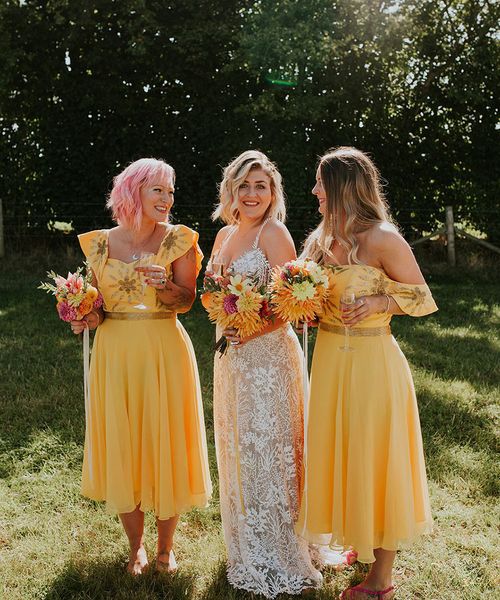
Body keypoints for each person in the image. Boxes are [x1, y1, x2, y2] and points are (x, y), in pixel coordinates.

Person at [296, 147, 437, 600]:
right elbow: (311, 297)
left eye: (321, 183)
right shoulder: (320, 240)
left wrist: (381, 302)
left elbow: (422, 298)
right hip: (331, 362)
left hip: (374, 366)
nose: (315, 191)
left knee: (375, 460)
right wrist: (304, 309)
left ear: (343, 188)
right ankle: (359, 537)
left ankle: (381, 581)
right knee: (344, 452)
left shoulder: (383, 238)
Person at [70, 158, 212, 575]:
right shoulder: (99, 244)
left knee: (166, 440)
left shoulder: (179, 240)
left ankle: (166, 547)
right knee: (124, 443)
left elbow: (187, 300)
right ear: (134, 192)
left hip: (163, 348)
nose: (167, 199)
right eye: (159, 191)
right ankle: (136, 548)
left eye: (171, 192)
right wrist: (83, 316)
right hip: (114, 352)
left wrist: (164, 286)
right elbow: (98, 308)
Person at [208, 150, 322, 598]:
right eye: (245, 185)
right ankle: (247, 543)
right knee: (240, 446)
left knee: (272, 447)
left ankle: (279, 546)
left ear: (273, 193)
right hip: (231, 358)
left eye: (261, 186)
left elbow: (289, 303)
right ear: (231, 191)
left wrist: (248, 328)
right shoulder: (223, 236)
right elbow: (216, 294)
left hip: (269, 359)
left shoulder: (274, 234)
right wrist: (226, 321)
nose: (252, 194)